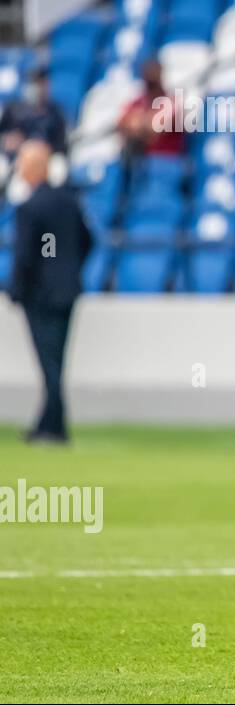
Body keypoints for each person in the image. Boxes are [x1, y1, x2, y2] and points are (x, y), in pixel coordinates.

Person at [6, 140, 94, 444]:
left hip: (41, 296)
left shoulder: (31, 207)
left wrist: (16, 290)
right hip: (67, 290)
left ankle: (53, 428)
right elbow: (86, 239)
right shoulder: (68, 201)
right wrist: (68, 268)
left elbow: (28, 255)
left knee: (49, 362)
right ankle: (49, 423)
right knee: (56, 359)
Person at [117, 58, 183, 158]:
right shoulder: (137, 102)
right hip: (142, 161)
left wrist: (139, 122)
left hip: (166, 159)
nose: (150, 82)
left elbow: (156, 127)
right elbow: (122, 125)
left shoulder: (171, 101)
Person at [1, 66, 67, 155]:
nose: (38, 88)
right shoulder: (13, 109)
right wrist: (6, 140)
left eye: (42, 83)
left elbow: (62, 145)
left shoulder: (55, 113)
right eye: (35, 83)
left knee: (58, 166)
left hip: (45, 158)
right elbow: (3, 133)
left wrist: (43, 147)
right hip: (14, 156)